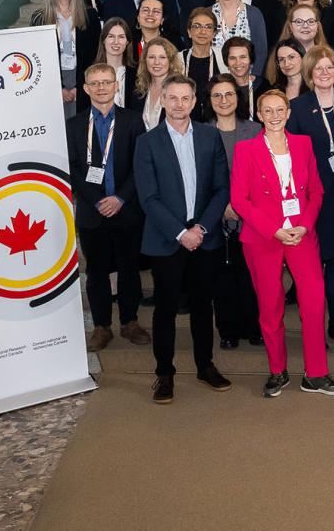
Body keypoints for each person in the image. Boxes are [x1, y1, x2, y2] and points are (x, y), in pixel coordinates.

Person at [229, 88, 334, 397]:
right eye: (268, 111)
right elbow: (239, 200)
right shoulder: (246, 150)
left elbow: (317, 191)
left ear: (288, 112)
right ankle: (277, 371)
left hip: (301, 235)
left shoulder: (304, 144)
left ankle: (316, 374)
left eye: (280, 110)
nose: (275, 116)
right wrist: (273, 229)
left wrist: (305, 225)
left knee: (313, 301)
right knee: (270, 307)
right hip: (263, 237)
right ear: (259, 115)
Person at [133, 75, 233, 404]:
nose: (179, 104)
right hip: (167, 239)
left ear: (194, 102)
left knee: (204, 305)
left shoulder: (209, 136)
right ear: (163, 100)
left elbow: (221, 188)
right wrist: (180, 233)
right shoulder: (147, 143)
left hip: (204, 237)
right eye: (172, 98)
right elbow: (148, 198)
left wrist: (201, 229)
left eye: (185, 98)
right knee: (165, 309)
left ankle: (205, 366)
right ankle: (165, 374)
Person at [66, 63, 149, 351]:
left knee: (129, 269)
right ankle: (101, 326)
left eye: (107, 82)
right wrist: (96, 200)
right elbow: (74, 169)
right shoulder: (74, 125)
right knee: (97, 272)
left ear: (116, 86)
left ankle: (130, 321)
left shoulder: (133, 121)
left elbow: (141, 164)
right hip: (92, 212)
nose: (101, 87)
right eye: (95, 83)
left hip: (126, 209)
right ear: (86, 89)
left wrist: (120, 198)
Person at [287, 45, 334, 348]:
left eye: (329, 67)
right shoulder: (298, 105)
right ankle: (312, 322)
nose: (324, 72)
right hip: (313, 194)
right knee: (312, 263)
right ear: (309, 73)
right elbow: (293, 154)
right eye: (318, 68)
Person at [207, 74, 267, 356]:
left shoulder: (255, 131)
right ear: (209, 101)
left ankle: (255, 328)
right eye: (217, 95)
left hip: (252, 217)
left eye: (228, 94)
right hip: (215, 217)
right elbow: (200, 177)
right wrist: (222, 206)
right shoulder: (202, 132)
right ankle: (228, 331)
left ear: (238, 98)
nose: (223, 100)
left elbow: (263, 175)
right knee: (222, 277)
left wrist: (241, 204)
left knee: (253, 276)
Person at [32, 0, 97, 118]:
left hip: (81, 78)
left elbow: (94, 54)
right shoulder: (39, 18)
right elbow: (38, 56)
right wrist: (57, 88)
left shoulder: (90, 15)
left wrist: (81, 86)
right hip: (52, 78)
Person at [209, 0, 269, 79]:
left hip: (247, 81)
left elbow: (261, 51)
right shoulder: (207, 15)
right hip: (215, 83)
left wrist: (254, 77)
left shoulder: (254, 14)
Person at [86, 18, 139, 111]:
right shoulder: (89, 73)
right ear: (103, 40)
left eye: (121, 37)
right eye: (111, 36)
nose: (116, 42)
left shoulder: (137, 74)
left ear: (127, 42)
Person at [136, 37, 184, 130]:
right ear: (145, 61)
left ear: (170, 61)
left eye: (162, 57)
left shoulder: (181, 91)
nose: (156, 62)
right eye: (151, 57)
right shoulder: (138, 92)